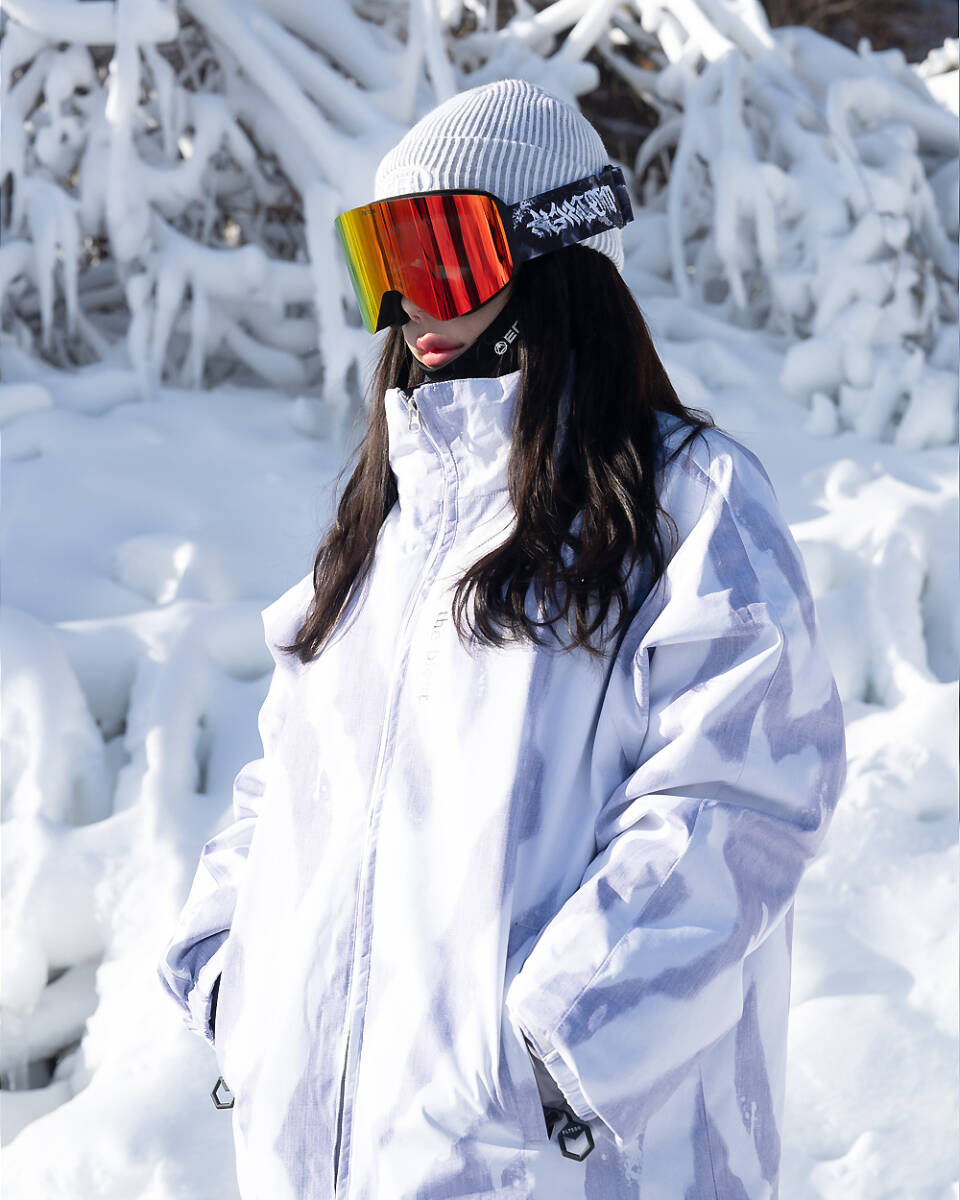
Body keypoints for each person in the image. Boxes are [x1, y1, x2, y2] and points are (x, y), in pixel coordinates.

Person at [157, 79, 846, 1199]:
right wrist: (235, 974)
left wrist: (554, 1049)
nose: (408, 305)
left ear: (551, 256)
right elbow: (288, 777)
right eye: (383, 262)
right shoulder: (387, 526)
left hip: (553, 1163)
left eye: (440, 256)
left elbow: (742, 798)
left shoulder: (688, 505)